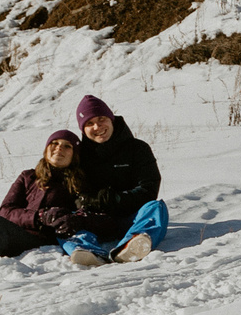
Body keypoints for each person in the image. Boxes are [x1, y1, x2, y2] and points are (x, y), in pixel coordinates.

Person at [0, 130, 110, 264]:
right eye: (55, 143)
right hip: (19, 233)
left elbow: (97, 215)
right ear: (46, 149)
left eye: (67, 146)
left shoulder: (80, 182)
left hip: (45, 239)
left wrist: (73, 220)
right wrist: (38, 217)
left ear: (74, 155)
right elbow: (5, 211)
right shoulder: (28, 177)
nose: (59, 148)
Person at [68, 94, 168, 263]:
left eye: (101, 119)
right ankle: (86, 252)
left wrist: (116, 199)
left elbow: (148, 189)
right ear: (83, 129)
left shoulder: (138, 149)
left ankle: (131, 245)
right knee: (67, 219)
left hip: (131, 217)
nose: (97, 126)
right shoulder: (78, 155)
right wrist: (90, 202)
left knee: (156, 208)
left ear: (111, 119)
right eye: (89, 123)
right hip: (95, 220)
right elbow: (72, 192)